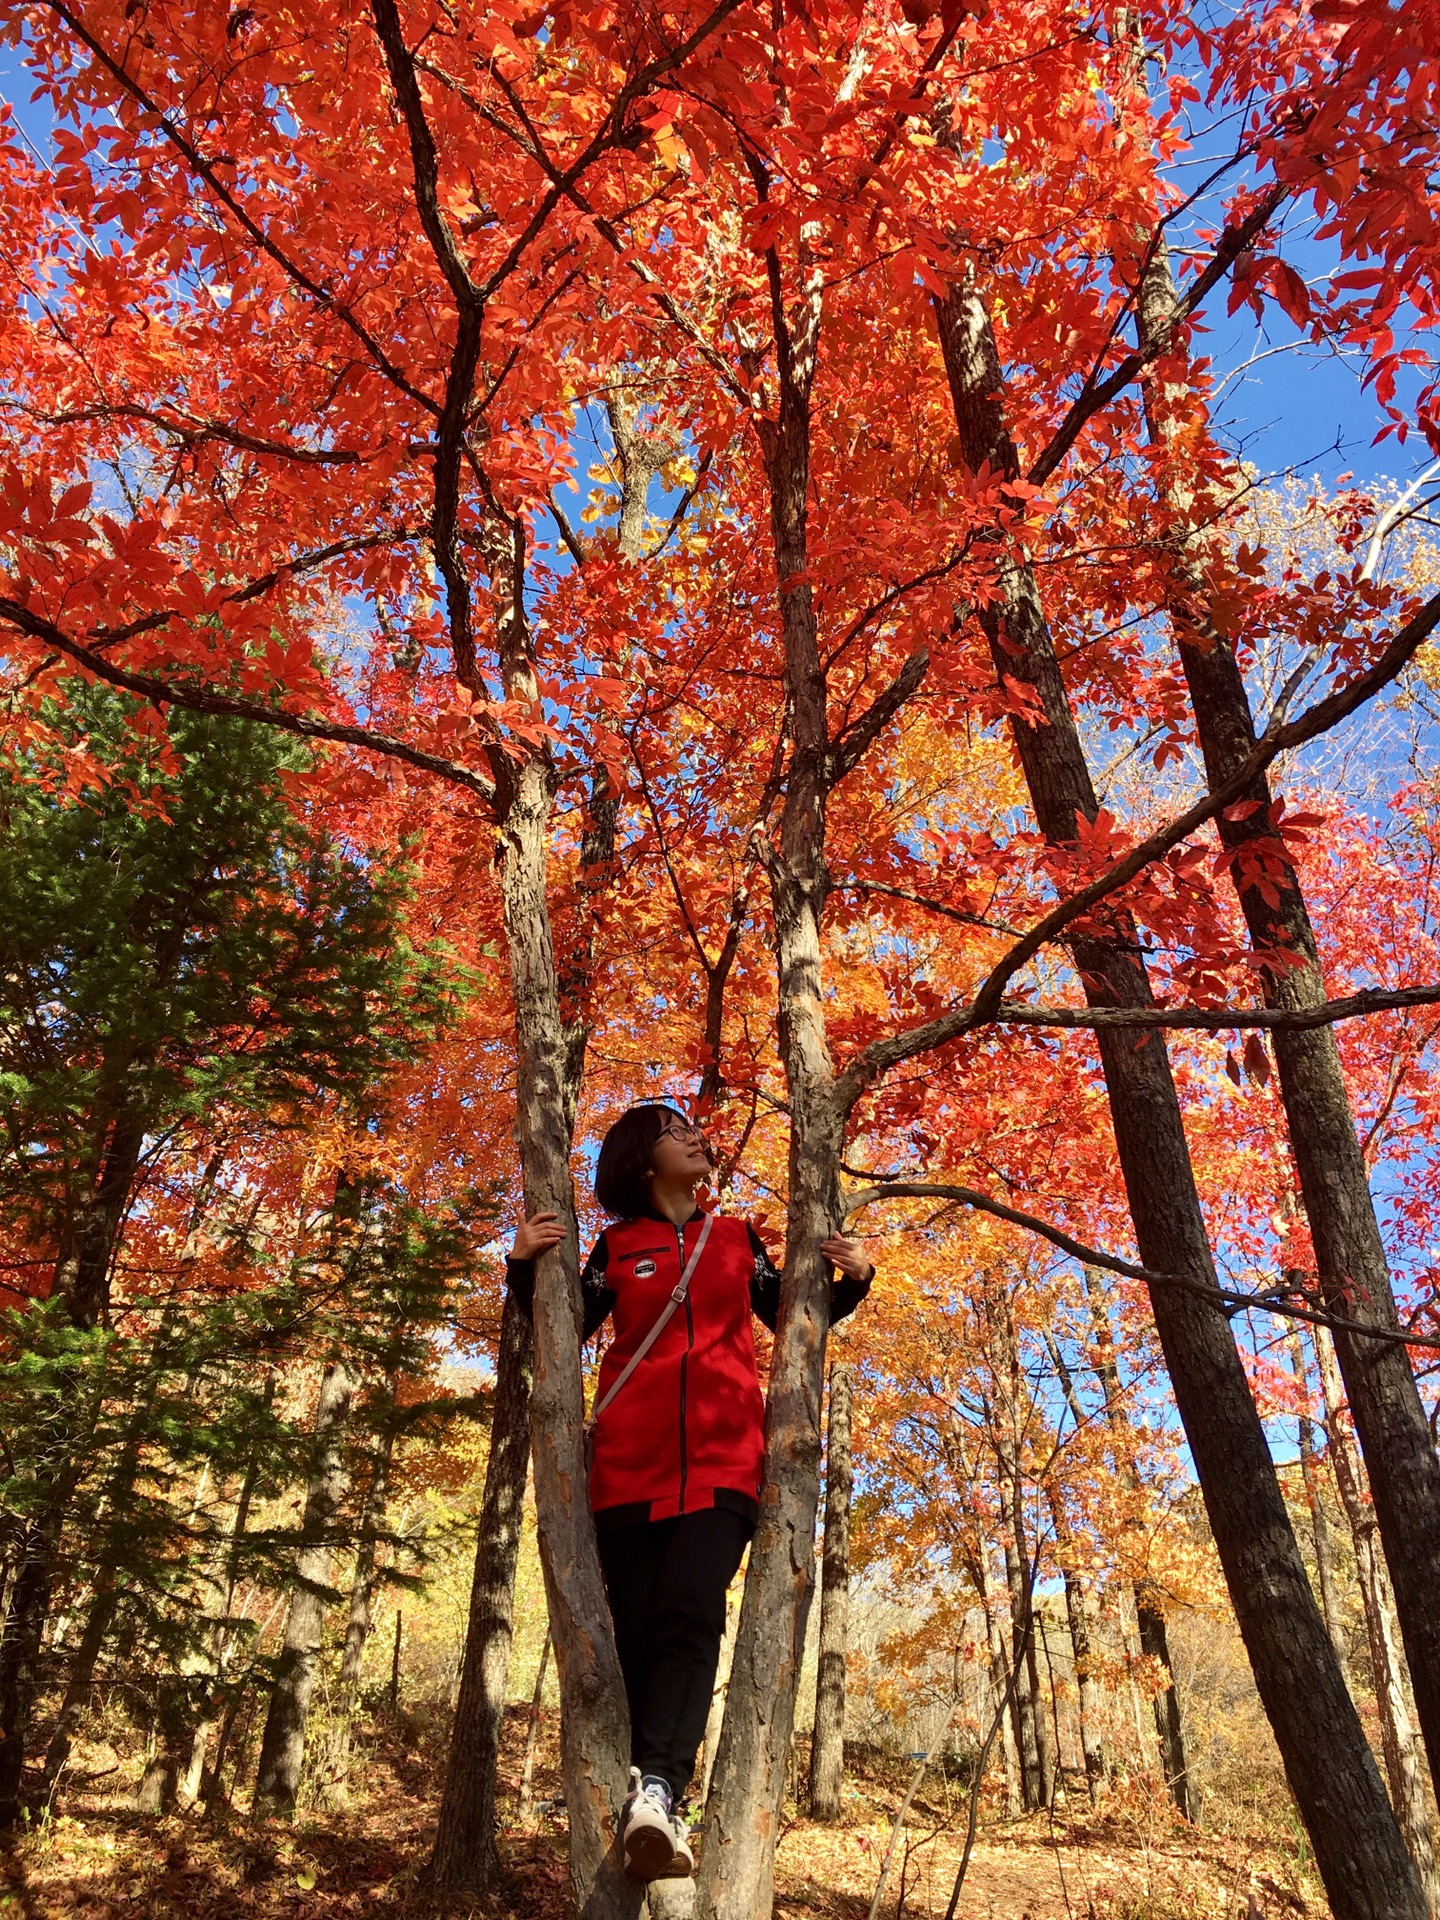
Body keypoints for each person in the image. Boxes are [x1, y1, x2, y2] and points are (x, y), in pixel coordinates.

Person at [506, 1102, 874, 1882]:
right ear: (644, 1161)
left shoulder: (739, 1238)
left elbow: (792, 1316)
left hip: (725, 1463)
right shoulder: (618, 1246)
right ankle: (641, 1793)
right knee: (635, 1634)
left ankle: (664, 1790)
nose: (696, 1136)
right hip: (626, 1472)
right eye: (676, 1131)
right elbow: (559, 1325)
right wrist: (521, 1266)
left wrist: (857, 1279)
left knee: (693, 1607)